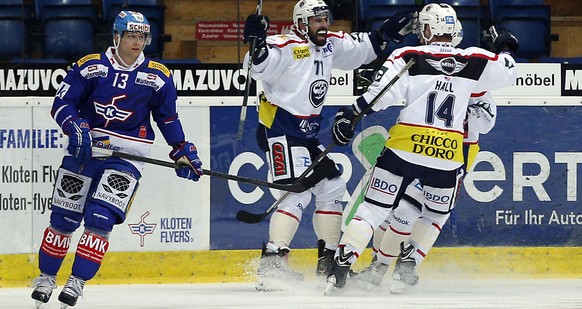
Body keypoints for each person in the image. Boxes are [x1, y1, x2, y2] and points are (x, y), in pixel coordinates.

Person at [324, 2, 518, 294]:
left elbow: (379, 95)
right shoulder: (476, 60)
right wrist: (506, 48)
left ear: (428, 29)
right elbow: (508, 70)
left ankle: (341, 263)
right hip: (446, 156)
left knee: (373, 209)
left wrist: (349, 115)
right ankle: (408, 262)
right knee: (436, 215)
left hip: (403, 148)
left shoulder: (408, 55)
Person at [30, 10, 203, 308]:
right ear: (117, 36)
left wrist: (181, 149)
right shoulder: (90, 67)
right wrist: (75, 126)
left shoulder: (158, 76)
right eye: (132, 36)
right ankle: (46, 277)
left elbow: (168, 118)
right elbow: (63, 102)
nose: (137, 42)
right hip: (84, 152)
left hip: (128, 157)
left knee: (101, 218)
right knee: (63, 220)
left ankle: (77, 281)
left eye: (142, 37)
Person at [242, 0, 415, 290]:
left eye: (325, 19)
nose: (323, 25)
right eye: (316, 20)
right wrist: (255, 43)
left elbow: (363, 49)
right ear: (300, 23)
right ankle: (272, 264)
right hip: (281, 132)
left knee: (332, 187)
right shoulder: (283, 45)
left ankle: (328, 260)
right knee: (295, 194)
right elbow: (257, 66)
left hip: (307, 136)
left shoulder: (330, 44)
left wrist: (387, 33)